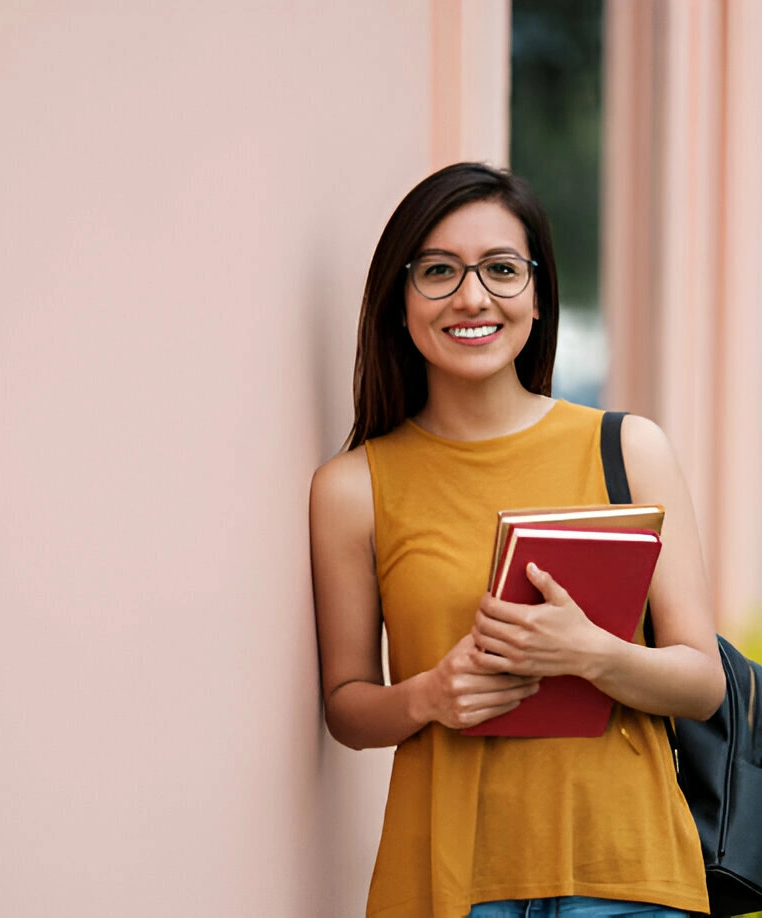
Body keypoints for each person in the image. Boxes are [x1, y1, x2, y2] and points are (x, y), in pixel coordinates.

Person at [309, 162, 725, 918]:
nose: (473, 297)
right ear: (399, 301)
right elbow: (345, 706)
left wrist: (589, 652)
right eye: (439, 271)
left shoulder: (629, 449)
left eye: (501, 270)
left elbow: (703, 682)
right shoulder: (352, 487)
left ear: (537, 295)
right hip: (447, 882)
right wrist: (429, 695)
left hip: (626, 876)